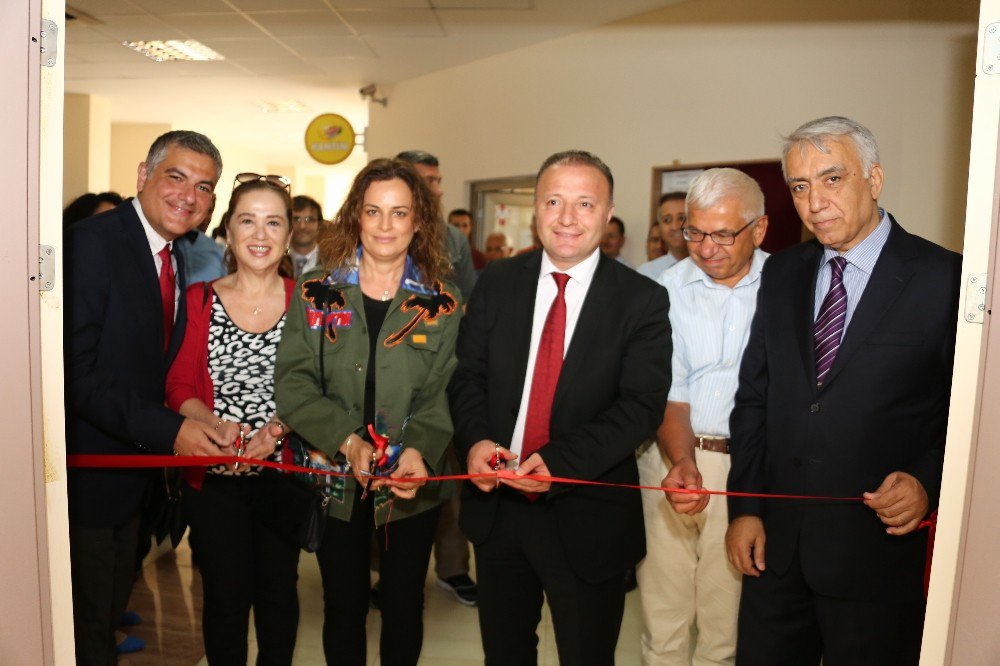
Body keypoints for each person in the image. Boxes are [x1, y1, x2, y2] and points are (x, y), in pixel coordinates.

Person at [726, 116, 962, 665]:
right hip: (775, 554)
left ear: (874, 179)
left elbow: (966, 412)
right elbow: (755, 399)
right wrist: (746, 507)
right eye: (801, 186)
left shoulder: (944, 278)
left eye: (832, 179)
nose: (815, 202)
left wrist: (929, 479)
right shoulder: (782, 273)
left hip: (876, 555)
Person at [449, 149, 672, 664]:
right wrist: (477, 440)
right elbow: (468, 377)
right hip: (499, 506)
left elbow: (640, 405)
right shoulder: (498, 282)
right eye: (554, 201)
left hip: (587, 511)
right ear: (535, 208)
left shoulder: (640, 299)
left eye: (585, 203)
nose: (568, 218)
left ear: (608, 210)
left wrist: (561, 463)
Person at [275, 158, 463, 665]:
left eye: (399, 213)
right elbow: (292, 384)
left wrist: (419, 450)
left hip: (409, 481)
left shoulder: (444, 301)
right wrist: (347, 440)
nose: (385, 226)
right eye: (373, 211)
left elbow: (442, 392)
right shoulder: (318, 290)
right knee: (344, 605)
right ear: (355, 215)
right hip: (336, 476)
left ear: (418, 221)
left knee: (403, 605)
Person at [64, 130, 228, 665]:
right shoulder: (93, 242)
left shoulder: (173, 254)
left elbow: (157, 363)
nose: (189, 196)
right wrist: (168, 430)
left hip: (137, 471)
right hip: (90, 466)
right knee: (89, 619)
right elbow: (75, 371)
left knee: (110, 606)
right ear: (143, 176)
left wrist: (196, 416)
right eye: (176, 177)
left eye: (204, 187)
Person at [166, 173, 300, 664]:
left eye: (273, 223)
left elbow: (327, 388)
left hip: (285, 473)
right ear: (228, 229)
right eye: (248, 221)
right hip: (215, 475)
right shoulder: (200, 299)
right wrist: (213, 424)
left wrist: (275, 431)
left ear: (288, 235)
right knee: (223, 599)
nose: (260, 235)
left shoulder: (312, 303)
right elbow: (179, 385)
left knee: (278, 598)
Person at [637, 168, 769, 665]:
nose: (706, 247)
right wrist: (682, 461)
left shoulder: (786, 289)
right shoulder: (661, 292)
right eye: (694, 232)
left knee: (726, 621)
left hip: (749, 469)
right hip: (671, 459)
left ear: (758, 230)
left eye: (721, 234)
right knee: (663, 613)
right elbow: (671, 391)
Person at [396, 149, 478, 605]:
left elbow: (468, 307)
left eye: (439, 179)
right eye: (430, 179)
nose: (440, 189)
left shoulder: (452, 240)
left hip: (442, 378)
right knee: (386, 472)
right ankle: (381, 573)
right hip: (385, 382)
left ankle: (452, 569)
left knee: (448, 479)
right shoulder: (374, 233)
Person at [637, 191, 689, 279]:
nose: (675, 227)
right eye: (667, 220)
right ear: (660, 226)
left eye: (682, 218)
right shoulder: (646, 273)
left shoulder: (711, 267)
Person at [290, 194, 324, 278]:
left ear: (319, 225)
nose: (302, 226)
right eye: (296, 219)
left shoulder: (334, 265)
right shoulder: (276, 263)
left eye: (309, 220)